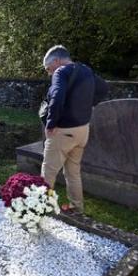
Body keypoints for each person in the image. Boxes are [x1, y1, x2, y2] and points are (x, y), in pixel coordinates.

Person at [40, 45, 108, 212]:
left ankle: (38, 211)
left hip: (63, 131)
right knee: (73, 172)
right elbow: (104, 89)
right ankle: (76, 208)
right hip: (83, 130)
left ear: (56, 61)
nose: (49, 73)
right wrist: (87, 105)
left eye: (49, 68)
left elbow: (56, 96)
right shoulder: (85, 70)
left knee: (48, 173)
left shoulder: (61, 72)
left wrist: (50, 124)